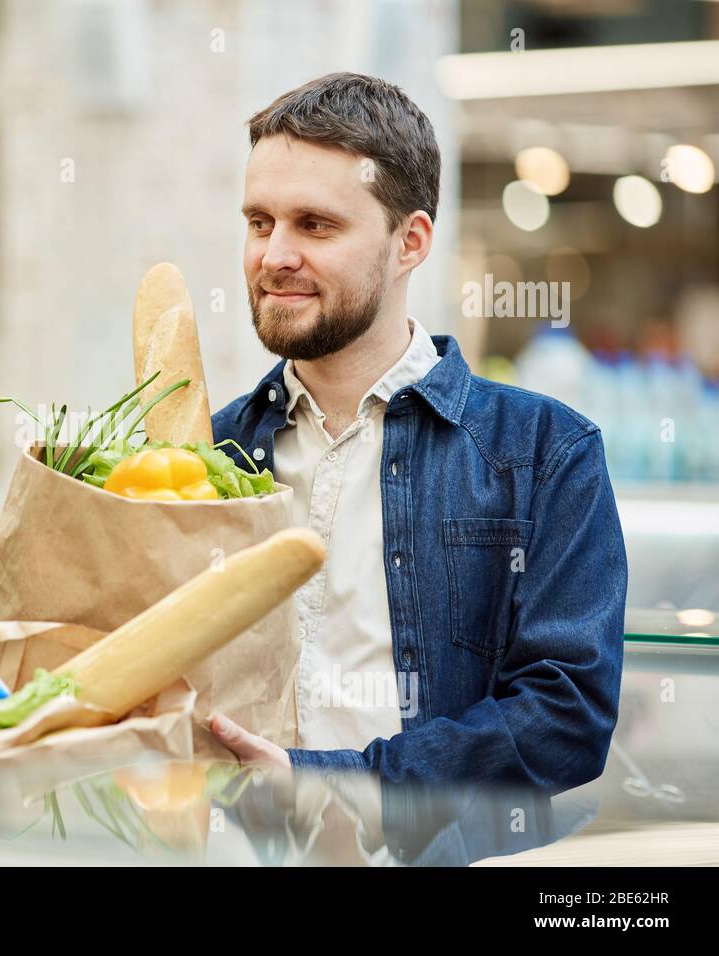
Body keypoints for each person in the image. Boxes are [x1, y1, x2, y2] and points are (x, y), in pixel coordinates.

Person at [206, 73, 627, 863]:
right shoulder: (211, 450)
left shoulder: (544, 453)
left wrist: (329, 780)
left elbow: (564, 717)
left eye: (316, 225)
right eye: (259, 221)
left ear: (412, 242)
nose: (275, 255)